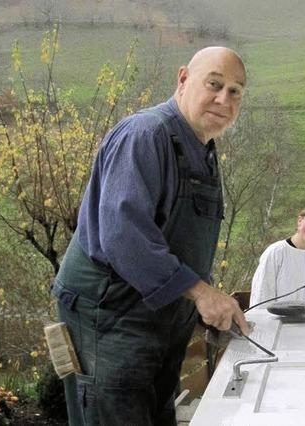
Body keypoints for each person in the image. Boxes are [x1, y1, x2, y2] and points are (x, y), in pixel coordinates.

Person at [50, 46, 251, 425]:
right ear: (183, 79)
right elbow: (124, 237)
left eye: (235, 91)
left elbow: (185, 245)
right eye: (215, 84)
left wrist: (203, 304)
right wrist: (201, 293)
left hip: (158, 320)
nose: (224, 98)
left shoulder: (203, 150)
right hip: (110, 318)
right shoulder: (145, 135)